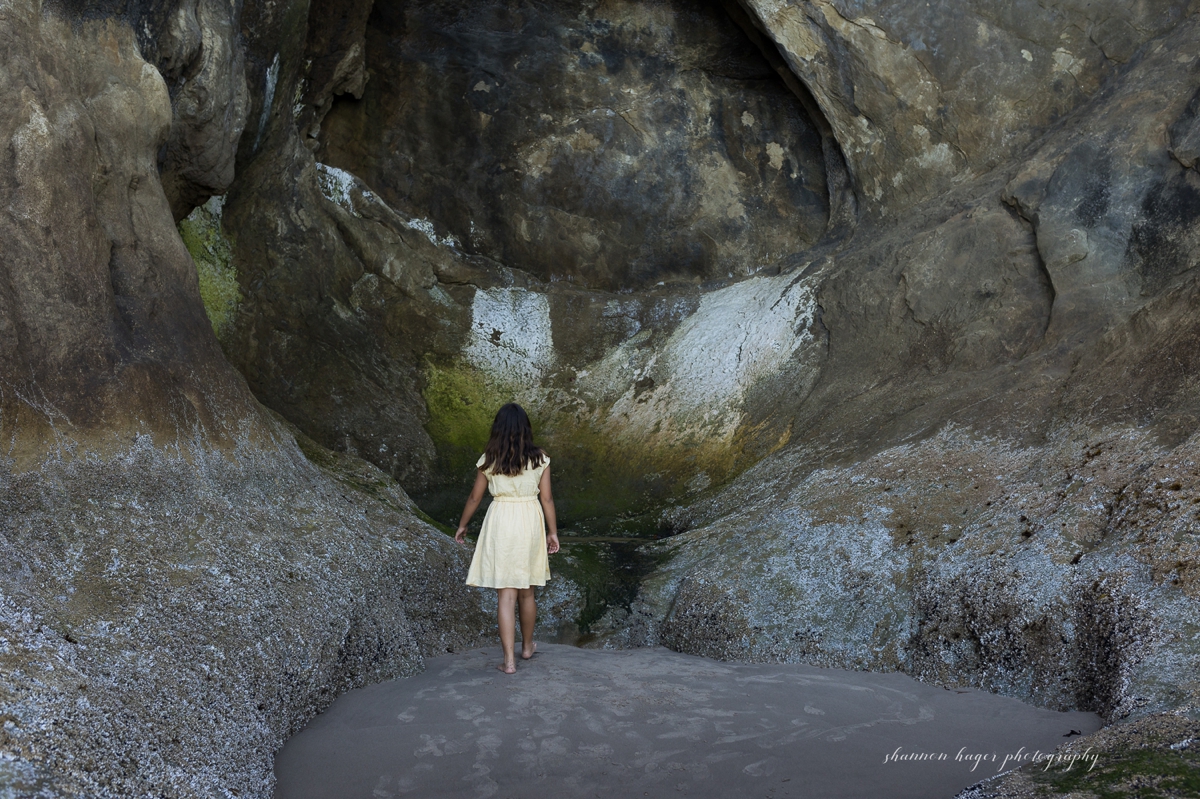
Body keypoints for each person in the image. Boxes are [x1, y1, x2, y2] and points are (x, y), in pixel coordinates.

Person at [455, 403, 560, 674]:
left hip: (501, 520)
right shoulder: (540, 459)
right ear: (526, 427)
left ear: (497, 428)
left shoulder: (489, 459)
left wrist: (463, 525)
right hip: (529, 519)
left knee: (506, 595)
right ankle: (526, 648)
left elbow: (475, 497)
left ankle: (509, 662)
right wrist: (552, 532)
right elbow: (546, 498)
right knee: (527, 592)